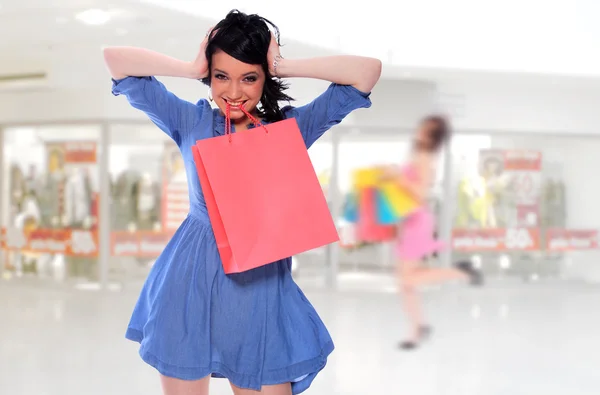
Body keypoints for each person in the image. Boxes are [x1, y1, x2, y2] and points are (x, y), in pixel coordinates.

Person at [103, 9, 381, 395]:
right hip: (191, 282)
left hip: (260, 286)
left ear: (265, 77)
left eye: (249, 77)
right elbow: (115, 59)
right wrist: (191, 67)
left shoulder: (289, 129)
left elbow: (367, 72)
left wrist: (283, 63)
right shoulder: (191, 121)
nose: (233, 92)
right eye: (221, 77)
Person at [382, 115, 482, 350]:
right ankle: (418, 327)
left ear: (432, 137)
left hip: (417, 221)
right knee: (406, 283)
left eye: (426, 129)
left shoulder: (426, 159)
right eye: (422, 126)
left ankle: (460, 273)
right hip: (409, 220)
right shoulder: (419, 156)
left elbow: (419, 194)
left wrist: (396, 176)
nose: (419, 130)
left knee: (407, 279)